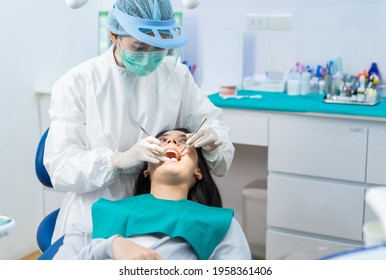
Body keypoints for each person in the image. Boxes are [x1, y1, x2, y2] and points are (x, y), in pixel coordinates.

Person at [44, 0, 235, 244]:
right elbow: (60, 167)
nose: (150, 56)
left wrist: (214, 144)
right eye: (139, 46)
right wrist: (115, 162)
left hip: (164, 210)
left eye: (159, 48)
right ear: (113, 35)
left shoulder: (177, 76)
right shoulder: (77, 83)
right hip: (98, 209)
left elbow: (215, 133)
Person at [53, 129, 250, 260]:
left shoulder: (221, 223)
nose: (172, 141)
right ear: (146, 166)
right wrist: (109, 247)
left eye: (184, 141)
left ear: (198, 170)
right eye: (162, 141)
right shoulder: (101, 211)